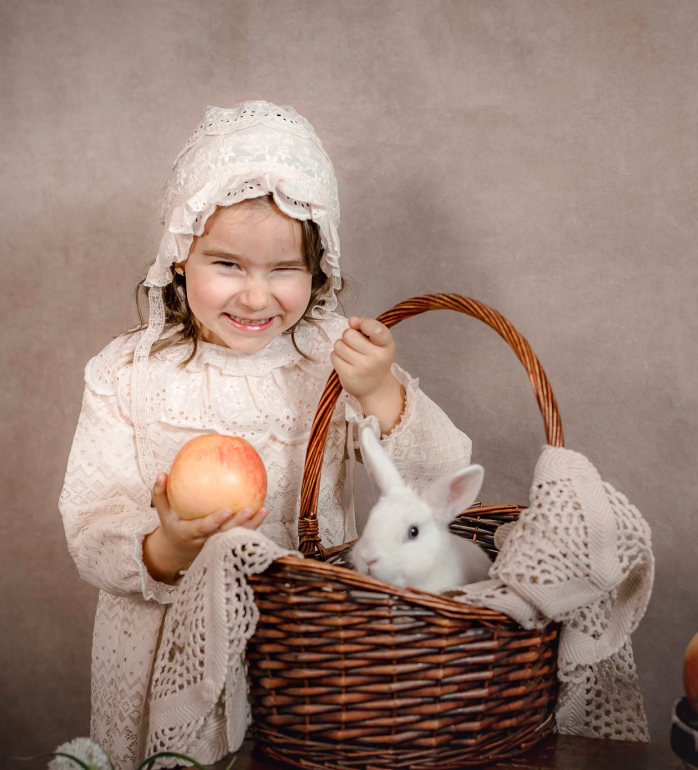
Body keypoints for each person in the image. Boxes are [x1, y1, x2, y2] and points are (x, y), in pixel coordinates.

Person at [58, 101, 472, 769]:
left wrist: (379, 391)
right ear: (179, 257)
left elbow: (439, 476)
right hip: (162, 647)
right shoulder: (126, 373)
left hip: (302, 649)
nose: (256, 298)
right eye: (228, 265)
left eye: (284, 270)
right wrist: (164, 548)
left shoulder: (332, 357)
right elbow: (91, 522)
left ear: (319, 270)